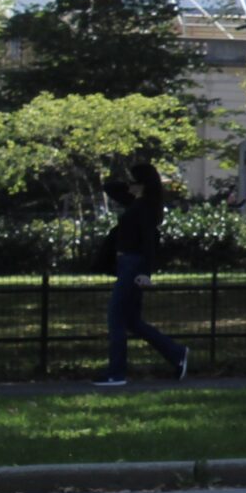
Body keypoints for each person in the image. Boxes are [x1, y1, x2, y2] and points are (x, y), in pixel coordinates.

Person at [95, 161, 190, 387]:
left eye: (133, 180)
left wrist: (146, 273)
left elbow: (149, 243)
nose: (129, 184)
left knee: (116, 317)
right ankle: (176, 353)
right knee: (131, 320)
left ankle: (116, 373)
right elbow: (110, 187)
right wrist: (130, 182)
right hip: (126, 263)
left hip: (133, 264)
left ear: (142, 183)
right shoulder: (136, 202)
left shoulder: (146, 207)